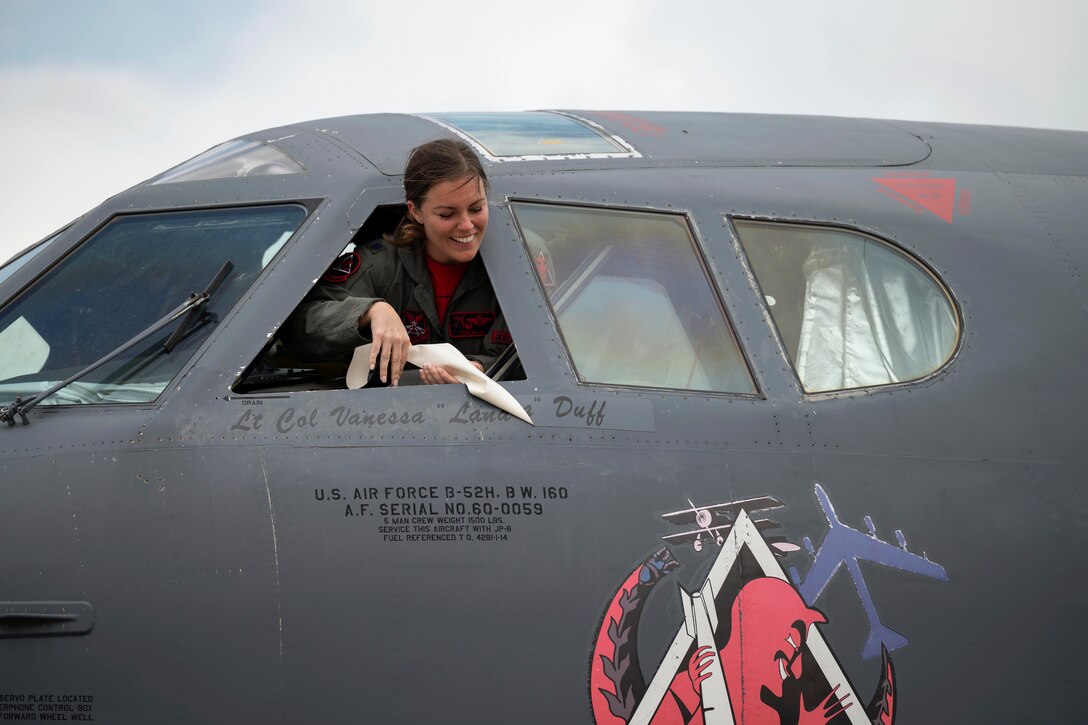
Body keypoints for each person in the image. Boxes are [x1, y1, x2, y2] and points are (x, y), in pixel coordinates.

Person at [282, 139, 511, 386]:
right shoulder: (379, 266)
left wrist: (478, 370)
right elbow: (299, 329)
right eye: (447, 214)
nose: (466, 225)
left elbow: (542, 351)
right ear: (415, 211)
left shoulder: (514, 266)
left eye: (476, 209)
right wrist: (370, 311)